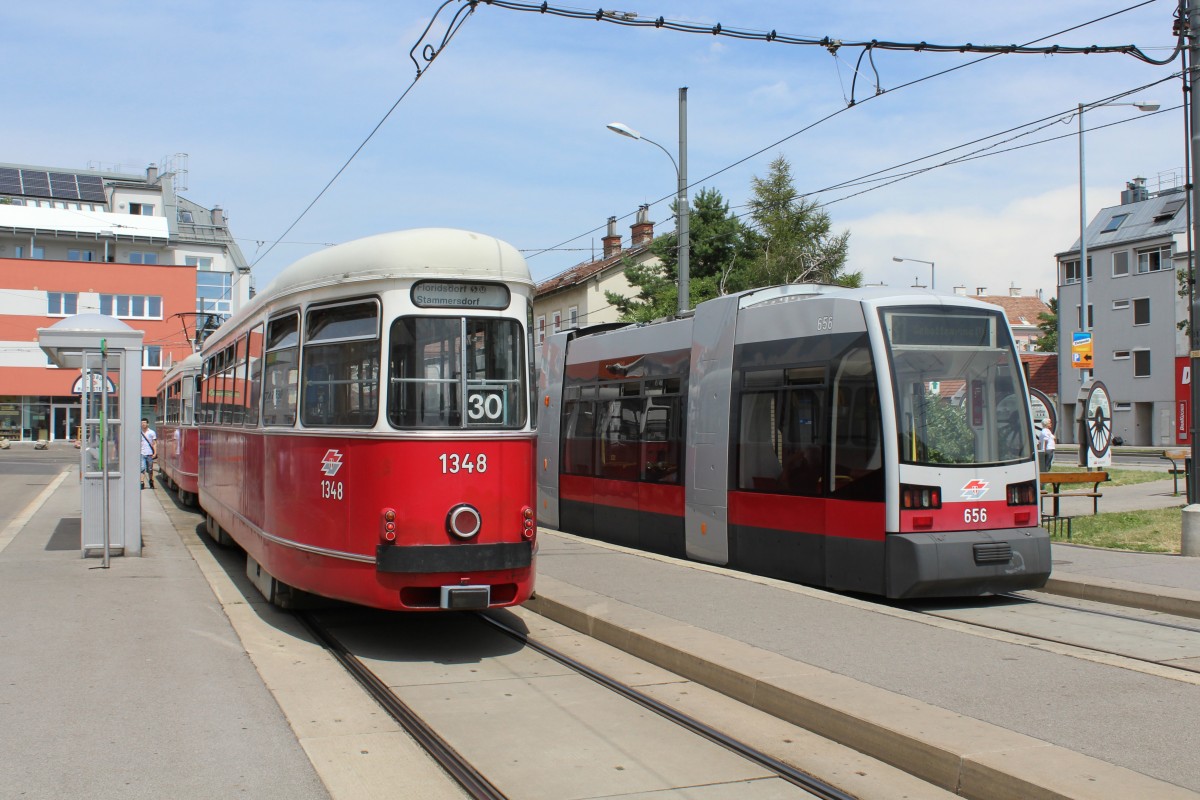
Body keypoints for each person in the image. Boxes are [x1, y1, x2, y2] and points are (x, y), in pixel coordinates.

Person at [139, 418, 157, 490]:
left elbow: (154, 443)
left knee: (150, 469)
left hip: (149, 453)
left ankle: (151, 481)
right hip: (142, 453)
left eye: (144, 423)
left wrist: (155, 452)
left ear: (147, 424)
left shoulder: (152, 432)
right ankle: (142, 483)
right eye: (142, 423)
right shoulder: (139, 432)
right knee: (142, 468)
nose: (143, 424)